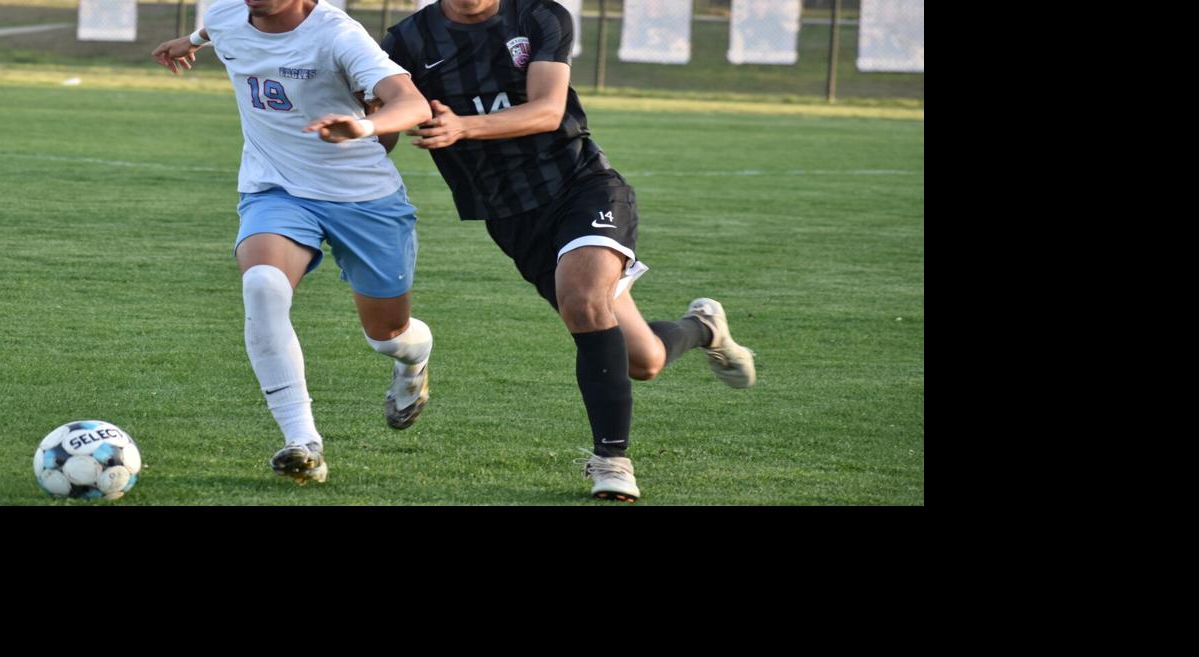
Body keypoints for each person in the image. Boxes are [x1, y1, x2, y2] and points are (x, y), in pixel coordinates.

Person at [378, 0, 755, 502]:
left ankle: (612, 461)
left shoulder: (538, 16)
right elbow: (384, 123)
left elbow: (547, 110)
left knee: (582, 301)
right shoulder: (406, 40)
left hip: (582, 187)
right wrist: (354, 134)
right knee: (643, 361)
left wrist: (463, 126)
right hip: (512, 218)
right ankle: (704, 327)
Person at [152, 0, 435, 486]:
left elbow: (413, 104)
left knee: (387, 335)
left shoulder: (338, 35)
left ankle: (415, 362)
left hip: (362, 196)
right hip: (275, 189)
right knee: (262, 285)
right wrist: (192, 42)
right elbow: (218, 27)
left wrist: (363, 126)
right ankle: (303, 442)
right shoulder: (227, 14)